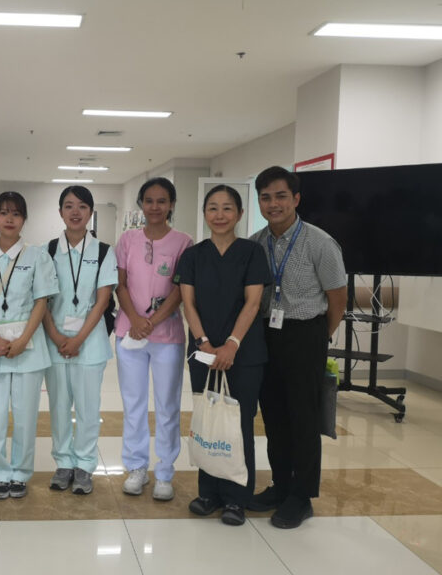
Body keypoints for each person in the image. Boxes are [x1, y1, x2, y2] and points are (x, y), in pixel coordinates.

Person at [248, 166, 347, 529]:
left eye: (280, 196)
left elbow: (338, 298)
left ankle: (302, 495)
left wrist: (321, 337)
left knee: (303, 418)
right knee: (273, 415)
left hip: (305, 335)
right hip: (265, 335)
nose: (273, 204)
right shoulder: (257, 242)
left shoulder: (320, 242)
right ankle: (280, 485)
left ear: (296, 199)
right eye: (266, 197)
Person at [175, 185, 270, 526]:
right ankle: (208, 492)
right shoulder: (193, 255)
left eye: (227, 208)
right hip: (202, 351)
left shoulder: (252, 253)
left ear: (240, 214)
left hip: (244, 352)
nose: (219, 214)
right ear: (204, 214)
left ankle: (236, 498)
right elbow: (188, 303)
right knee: (207, 418)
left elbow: (253, 303)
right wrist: (202, 342)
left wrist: (231, 344)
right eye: (212, 208)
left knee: (238, 423)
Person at [0, 191, 59, 499]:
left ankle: (20, 472)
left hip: (28, 346)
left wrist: (23, 340)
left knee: (25, 414)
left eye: (16, 213)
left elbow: (41, 301)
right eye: (4, 212)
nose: (9, 219)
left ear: (24, 219)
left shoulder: (37, 255)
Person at [114, 177, 193, 500]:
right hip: (129, 333)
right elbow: (120, 283)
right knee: (133, 404)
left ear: (172, 204)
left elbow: (180, 289)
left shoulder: (184, 242)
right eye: (149, 201)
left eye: (162, 201)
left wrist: (153, 322)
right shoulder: (127, 240)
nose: (155, 207)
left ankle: (164, 472)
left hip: (168, 336)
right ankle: (135, 467)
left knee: (167, 405)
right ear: (141, 205)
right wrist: (135, 319)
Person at [43, 186, 118, 495]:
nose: (75, 212)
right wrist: (58, 336)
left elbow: (103, 301)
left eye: (83, 207)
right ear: (60, 211)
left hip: (90, 343)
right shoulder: (47, 251)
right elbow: (42, 302)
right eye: (69, 206)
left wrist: (78, 339)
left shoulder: (103, 251)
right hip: (55, 340)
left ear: (90, 213)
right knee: (59, 406)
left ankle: (85, 465)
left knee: (88, 407)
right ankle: (63, 462)